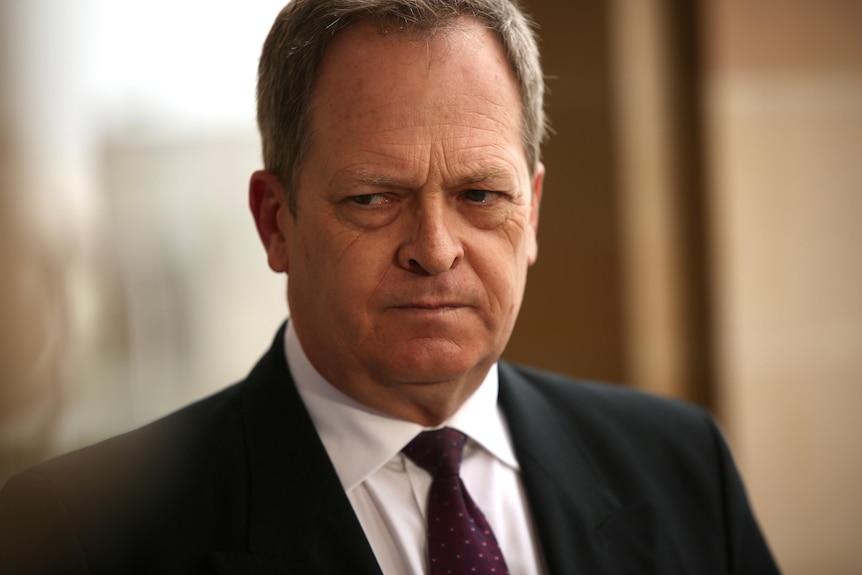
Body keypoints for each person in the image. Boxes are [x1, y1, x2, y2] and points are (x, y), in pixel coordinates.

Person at [0, 0, 780, 573]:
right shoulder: (77, 535)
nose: (436, 251)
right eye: (373, 198)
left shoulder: (683, 466)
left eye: (480, 195)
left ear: (532, 212)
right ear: (276, 222)